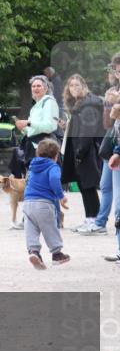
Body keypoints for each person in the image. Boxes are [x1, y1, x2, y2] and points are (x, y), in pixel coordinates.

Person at [60, 74, 104, 233]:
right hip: (81, 150)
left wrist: (80, 152)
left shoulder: (88, 105)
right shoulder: (79, 104)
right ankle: (89, 218)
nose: (74, 89)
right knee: (83, 186)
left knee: (89, 186)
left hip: (87, 151)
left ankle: (96, 221)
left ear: (84, 86)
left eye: (77, 85)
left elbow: (88, 131)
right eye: (71, 86)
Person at [22, 138, 70, 269]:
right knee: (50, 227)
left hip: (28, 202)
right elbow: (54, 179)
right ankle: (57, 253)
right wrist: (61, 196)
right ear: (56, 156)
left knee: (31, 229)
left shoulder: (33, 165)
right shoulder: (53, 166)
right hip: (43, 203)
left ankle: (34, 252)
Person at [95, 55, 120, 242]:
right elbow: (107, 124)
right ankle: (100, 222)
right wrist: (109, 105)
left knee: (118, 201)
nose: (118, 73)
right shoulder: (112, 91)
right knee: (105, 186)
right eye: (116, 69)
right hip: (113, 145)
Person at [15, 75, 60, 168]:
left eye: (39, 86)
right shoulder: (35, 106)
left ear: (46, 88)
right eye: (33, 86)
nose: (35, 88)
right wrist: (23, 128)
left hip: (45, 148)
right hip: (33, 147)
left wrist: (28, 123)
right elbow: (32, 129)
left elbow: (49, 126)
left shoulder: (49, 102)